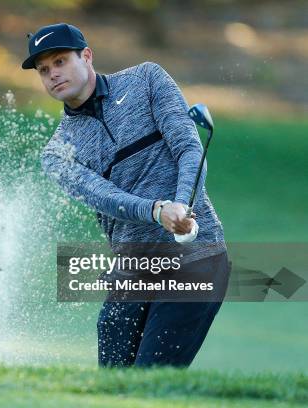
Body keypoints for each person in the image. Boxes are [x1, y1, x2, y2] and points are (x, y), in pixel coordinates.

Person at [22, 23, 230, 367]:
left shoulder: (146, 80)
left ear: (86, 56)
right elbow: (103, 195)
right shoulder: (58, 152)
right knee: (114, 384)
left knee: (150, 379)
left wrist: (182, 206)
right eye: (44, 70)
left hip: (197, 259)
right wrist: (157, 211)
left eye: (59, 62)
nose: (52, 75)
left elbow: (188, 147)